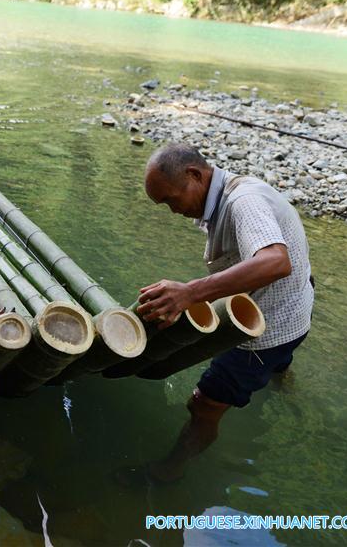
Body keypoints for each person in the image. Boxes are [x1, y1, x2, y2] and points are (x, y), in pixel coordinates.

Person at [127, 142, 314, 485]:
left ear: (195, 175)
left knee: (204, 405)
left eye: (171, 200)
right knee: (278, 360)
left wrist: (191, 292)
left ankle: (169, 472)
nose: (172, 211)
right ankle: (280, 375)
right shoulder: (225, 196)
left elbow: (276, 261)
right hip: (299, 305)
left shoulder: (243, 201)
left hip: (268, 329)